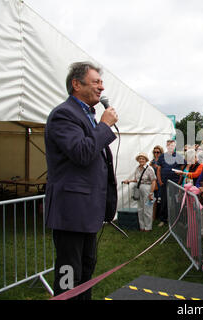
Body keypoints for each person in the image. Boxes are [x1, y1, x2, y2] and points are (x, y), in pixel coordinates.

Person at [45, 61, 118, 299]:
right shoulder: (64, 114)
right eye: (96, 82)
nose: (101, 87)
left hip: (87, 213)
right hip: (71, 213)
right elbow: (82, 152)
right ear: (76, 84)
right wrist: (105, 126)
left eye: (101, 82)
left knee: (86, 272)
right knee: (69, 276)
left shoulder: (87, 116)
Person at [123, 152, 157, 232]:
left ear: (146, 160)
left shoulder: (149, 169)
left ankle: (148, 227)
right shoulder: (137, 168)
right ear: (138, 160)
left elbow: (153, 181)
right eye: (140, 158)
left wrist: (151, 193)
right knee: (140, 208)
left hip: (148, 188)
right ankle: (142, 226)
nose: (141, 160)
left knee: (147, 208)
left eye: (143, 159)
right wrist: (129, 181)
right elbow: (137, 180)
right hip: (139, 188)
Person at [156, 140, 185, 226]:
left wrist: (179, 180)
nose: (170, 146)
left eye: (172, 145)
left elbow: (182, 167)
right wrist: (160, 180)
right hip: (164, 182)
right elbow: (158, 169)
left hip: (175, 182)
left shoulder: (178, 156)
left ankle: (176, 220)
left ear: (174, 146)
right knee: (164, 201)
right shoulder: (162, 156)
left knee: (175, 202)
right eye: (168, 145)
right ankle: (163, 219)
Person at [150, 145, 163, 222]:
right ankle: (153, 217)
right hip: (154, 183)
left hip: (160, 182)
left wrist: (157, 167)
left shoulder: (162, 160)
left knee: (160, 200)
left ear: (161, 152)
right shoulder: (152, 161)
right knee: (153, 200)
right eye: (154, 152)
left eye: (158, 152)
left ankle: (161, 217)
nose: (156, 154)